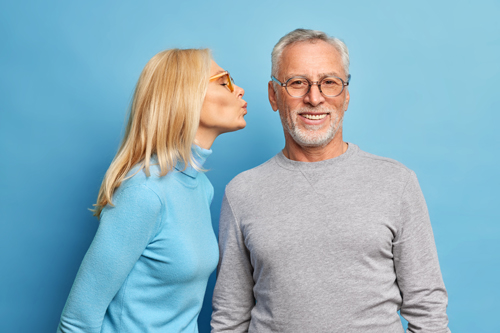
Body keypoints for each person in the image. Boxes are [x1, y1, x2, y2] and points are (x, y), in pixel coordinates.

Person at [211, 29, 450, 333]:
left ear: (346, 95)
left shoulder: (396, 182)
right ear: (273, 95)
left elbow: (427, 308)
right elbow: (230, 317)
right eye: (297, 83)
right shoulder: (241, 192)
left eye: (329, 83)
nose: (314, 97)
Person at [57, 48, 247, 333]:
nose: (240, 90)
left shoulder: (200, 187)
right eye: (223, 81)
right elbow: (77, 320)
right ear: (186, 96)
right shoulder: (144, 191)